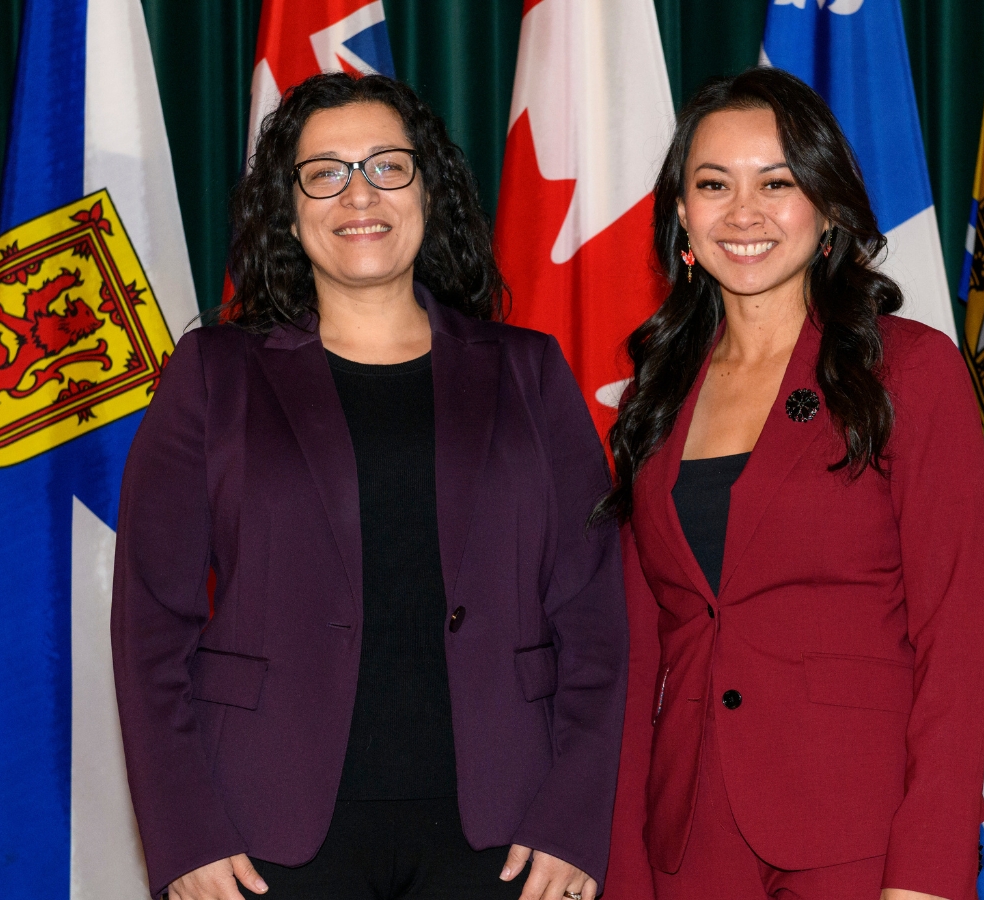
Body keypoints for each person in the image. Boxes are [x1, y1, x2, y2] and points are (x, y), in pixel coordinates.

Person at [111, 73, 627, 900]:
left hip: (506, 834)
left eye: (388, 166)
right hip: (260, 835)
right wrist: (185, 834)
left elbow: (594, 615)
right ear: (289, 209)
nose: (360, 194)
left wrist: (572, 818)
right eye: (326, 172)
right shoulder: (213, 375)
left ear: (428, 190)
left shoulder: (528, 372)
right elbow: (150, 622)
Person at [601, 68, 984, 900]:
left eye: (776, 183)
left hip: (860, 833)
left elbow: (956, 640)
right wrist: (626, 868)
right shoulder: (654, 396)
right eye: (714, 185)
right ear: (682, 216)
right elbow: (639, 652)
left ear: (826, 210)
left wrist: (927, 870)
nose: (743, 213)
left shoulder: (910, 370)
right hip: (689, 839)